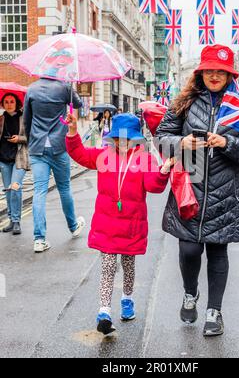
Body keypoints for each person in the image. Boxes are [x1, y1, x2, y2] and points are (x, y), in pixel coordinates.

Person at [155, 45, 239, 337]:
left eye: (221, 71)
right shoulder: (184, 102)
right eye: (210, 70)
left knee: (218, 251)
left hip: (226, 191)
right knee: (189, 249)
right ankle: (190, 293)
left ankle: (214, 312)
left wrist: (227, 144)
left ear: (230, 75)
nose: (214, 75)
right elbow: (161, 138)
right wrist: (181, 144)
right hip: (190, 187)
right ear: (200, 72)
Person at [66, 113, 174, 336]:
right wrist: (72, 132)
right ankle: (104, 311)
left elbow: (154, 186)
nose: (122, 143)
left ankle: (127, 299)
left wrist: (163, 170)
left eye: (127, 139)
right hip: (107, 225)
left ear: (136, 139)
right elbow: (79, 154)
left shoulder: (145, 159)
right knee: (107, 267)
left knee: (128, 265)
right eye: (118, 139)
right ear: (113, 138)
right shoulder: (104, 156)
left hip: (131, 226)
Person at [23, 78, 86, 253]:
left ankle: (39, 239)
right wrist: (71, 90)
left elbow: (27, 121)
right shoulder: (64, 88)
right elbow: (79, 104)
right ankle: (73, 226)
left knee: (39, 191)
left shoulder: (32, 89)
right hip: (59, 145)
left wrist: (32, 141)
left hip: (38, 146)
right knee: (64, 188)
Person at [0, 93, 29, 235]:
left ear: (16, 103)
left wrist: (19, 138)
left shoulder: (24, 118)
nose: (9, 104)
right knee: (9, 191)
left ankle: (17, 221)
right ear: (3, 104)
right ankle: (11, 220)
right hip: (4, 160)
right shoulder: (1, 119)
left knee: (15, 188)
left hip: (19, 158)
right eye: (6, 102)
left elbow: (31, 137)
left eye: (12, 101)